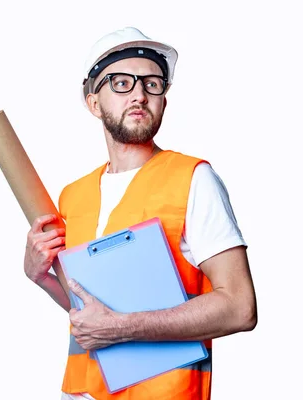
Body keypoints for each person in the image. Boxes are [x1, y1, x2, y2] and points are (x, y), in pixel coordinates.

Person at [23, 27, 257, 400]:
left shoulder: (193, 179)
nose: (139, 94)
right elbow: (90, 312)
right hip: (81, 393)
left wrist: (122, 327)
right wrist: (42, 277)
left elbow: (240, 307)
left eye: (152, 84)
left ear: (164, 99)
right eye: (120, 82)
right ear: (93, 103)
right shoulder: (74, 196)